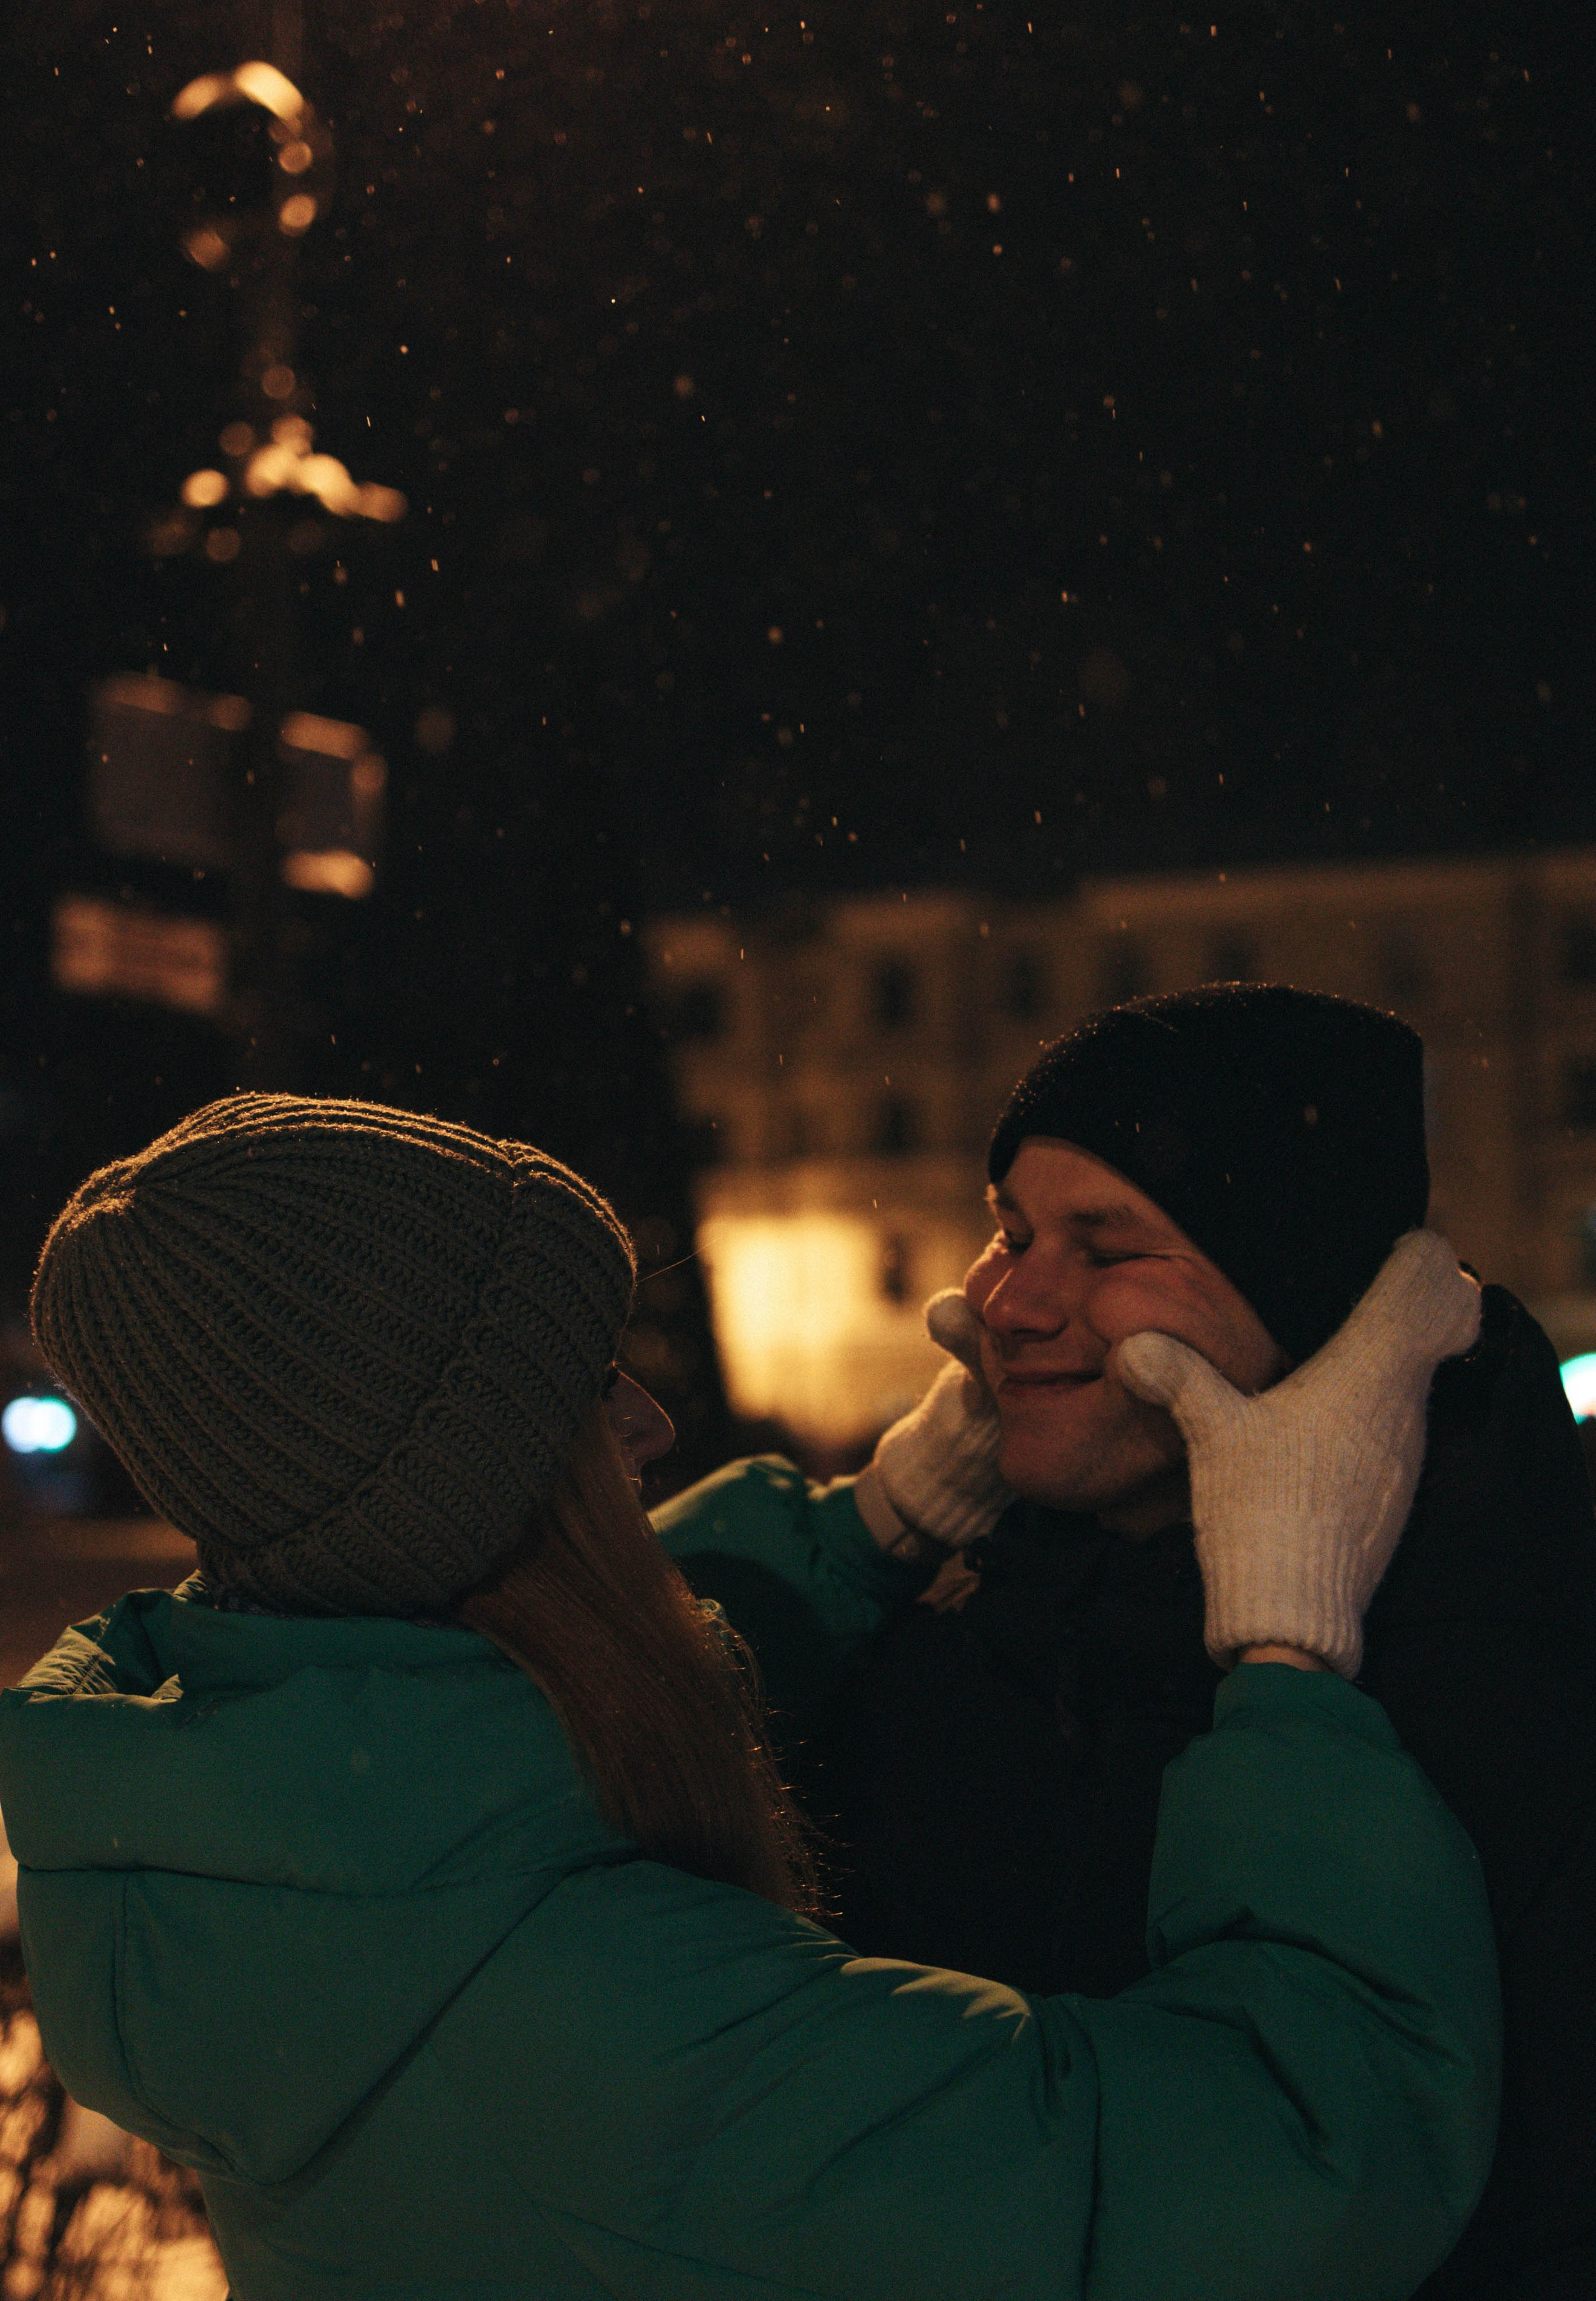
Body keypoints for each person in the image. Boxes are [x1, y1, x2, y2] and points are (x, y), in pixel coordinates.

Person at [1, 1093, 1494, 2301]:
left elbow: (507, 1722)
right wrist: (1289, 1650)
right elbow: (1291, 2154)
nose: (648, 1423)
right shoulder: (629, 2041)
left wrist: (870, 1525)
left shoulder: (262, 1845)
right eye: (591, 1387)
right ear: (477, 1497)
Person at [657, 985, 1596, 2301]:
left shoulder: (1510, 1664)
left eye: (1102, 1248)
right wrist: (884, 1517)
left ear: (1305, 1301)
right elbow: (571, 1751)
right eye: (1009, 1234)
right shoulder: (969, 1629)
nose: (1007, 1303)